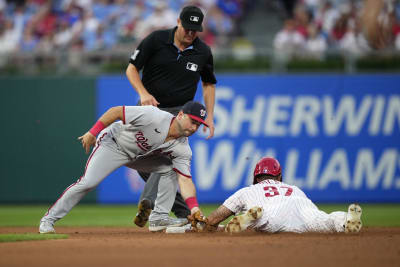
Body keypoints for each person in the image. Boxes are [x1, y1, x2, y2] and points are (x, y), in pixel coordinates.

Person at [39, 101, 208, 233]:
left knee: (171, 168)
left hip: (138, 156)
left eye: (198, 125)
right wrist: (92, 132)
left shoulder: (183, 149)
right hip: (113, 145)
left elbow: (185, 180)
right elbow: (116, 111)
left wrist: (194, 208)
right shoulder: (154, 115)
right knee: (89, 182)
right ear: (180, 115)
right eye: (192, 121)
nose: (194, 128)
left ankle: (159, 218)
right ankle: (48, 220)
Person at [125, 5, 217, 226]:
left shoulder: (203, 51)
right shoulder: (156, 40)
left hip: (179, 113)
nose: (190, 33)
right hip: (149, 108)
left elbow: (209, 84)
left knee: (168, 158)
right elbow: (131, 68)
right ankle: (184, 212)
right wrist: (143, 93)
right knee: (146, 163)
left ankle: (149, 201)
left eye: (195, 29)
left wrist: (210, 116)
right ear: (178, 22)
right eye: (187, 27)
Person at [203, 157, 363, 234]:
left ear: (256, 176)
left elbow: (214, 219)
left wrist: (206, 223)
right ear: (279, 176)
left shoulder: (248, 190)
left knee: (265, 221)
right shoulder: (294, 188)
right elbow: (311, 209)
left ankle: (254, 216)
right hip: (300, 205)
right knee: (322, 220)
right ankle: (346, 219)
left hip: (271, 211)